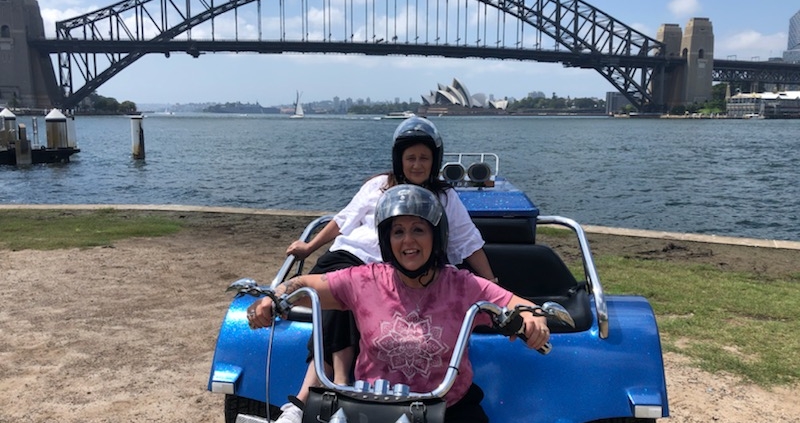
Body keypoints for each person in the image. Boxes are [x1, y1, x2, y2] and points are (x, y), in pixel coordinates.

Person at [248, 184, 550, 422]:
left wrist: (532, 318)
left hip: (447, 407)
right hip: (374, 407)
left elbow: (517, 304)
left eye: (418, 229)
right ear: (386, 239)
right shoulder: (364, 279)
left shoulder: (462, 285)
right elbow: (304, 285)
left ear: (436, 235)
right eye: (398, 231)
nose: (408, 241)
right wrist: (273, 298)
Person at [277, 117, 497, 423]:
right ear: (399, 160)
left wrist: (492, 283)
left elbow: (467, 240)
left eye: (424, 158)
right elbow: (345, 219)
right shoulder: (377, 185)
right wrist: (310, 246)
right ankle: (322, 391)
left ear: (434, 161)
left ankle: (331, 389)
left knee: (359, 292)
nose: (417, 165)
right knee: (340, 294)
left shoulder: (444, 196)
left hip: (392, 270)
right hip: (353, 258)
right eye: (411, 158)